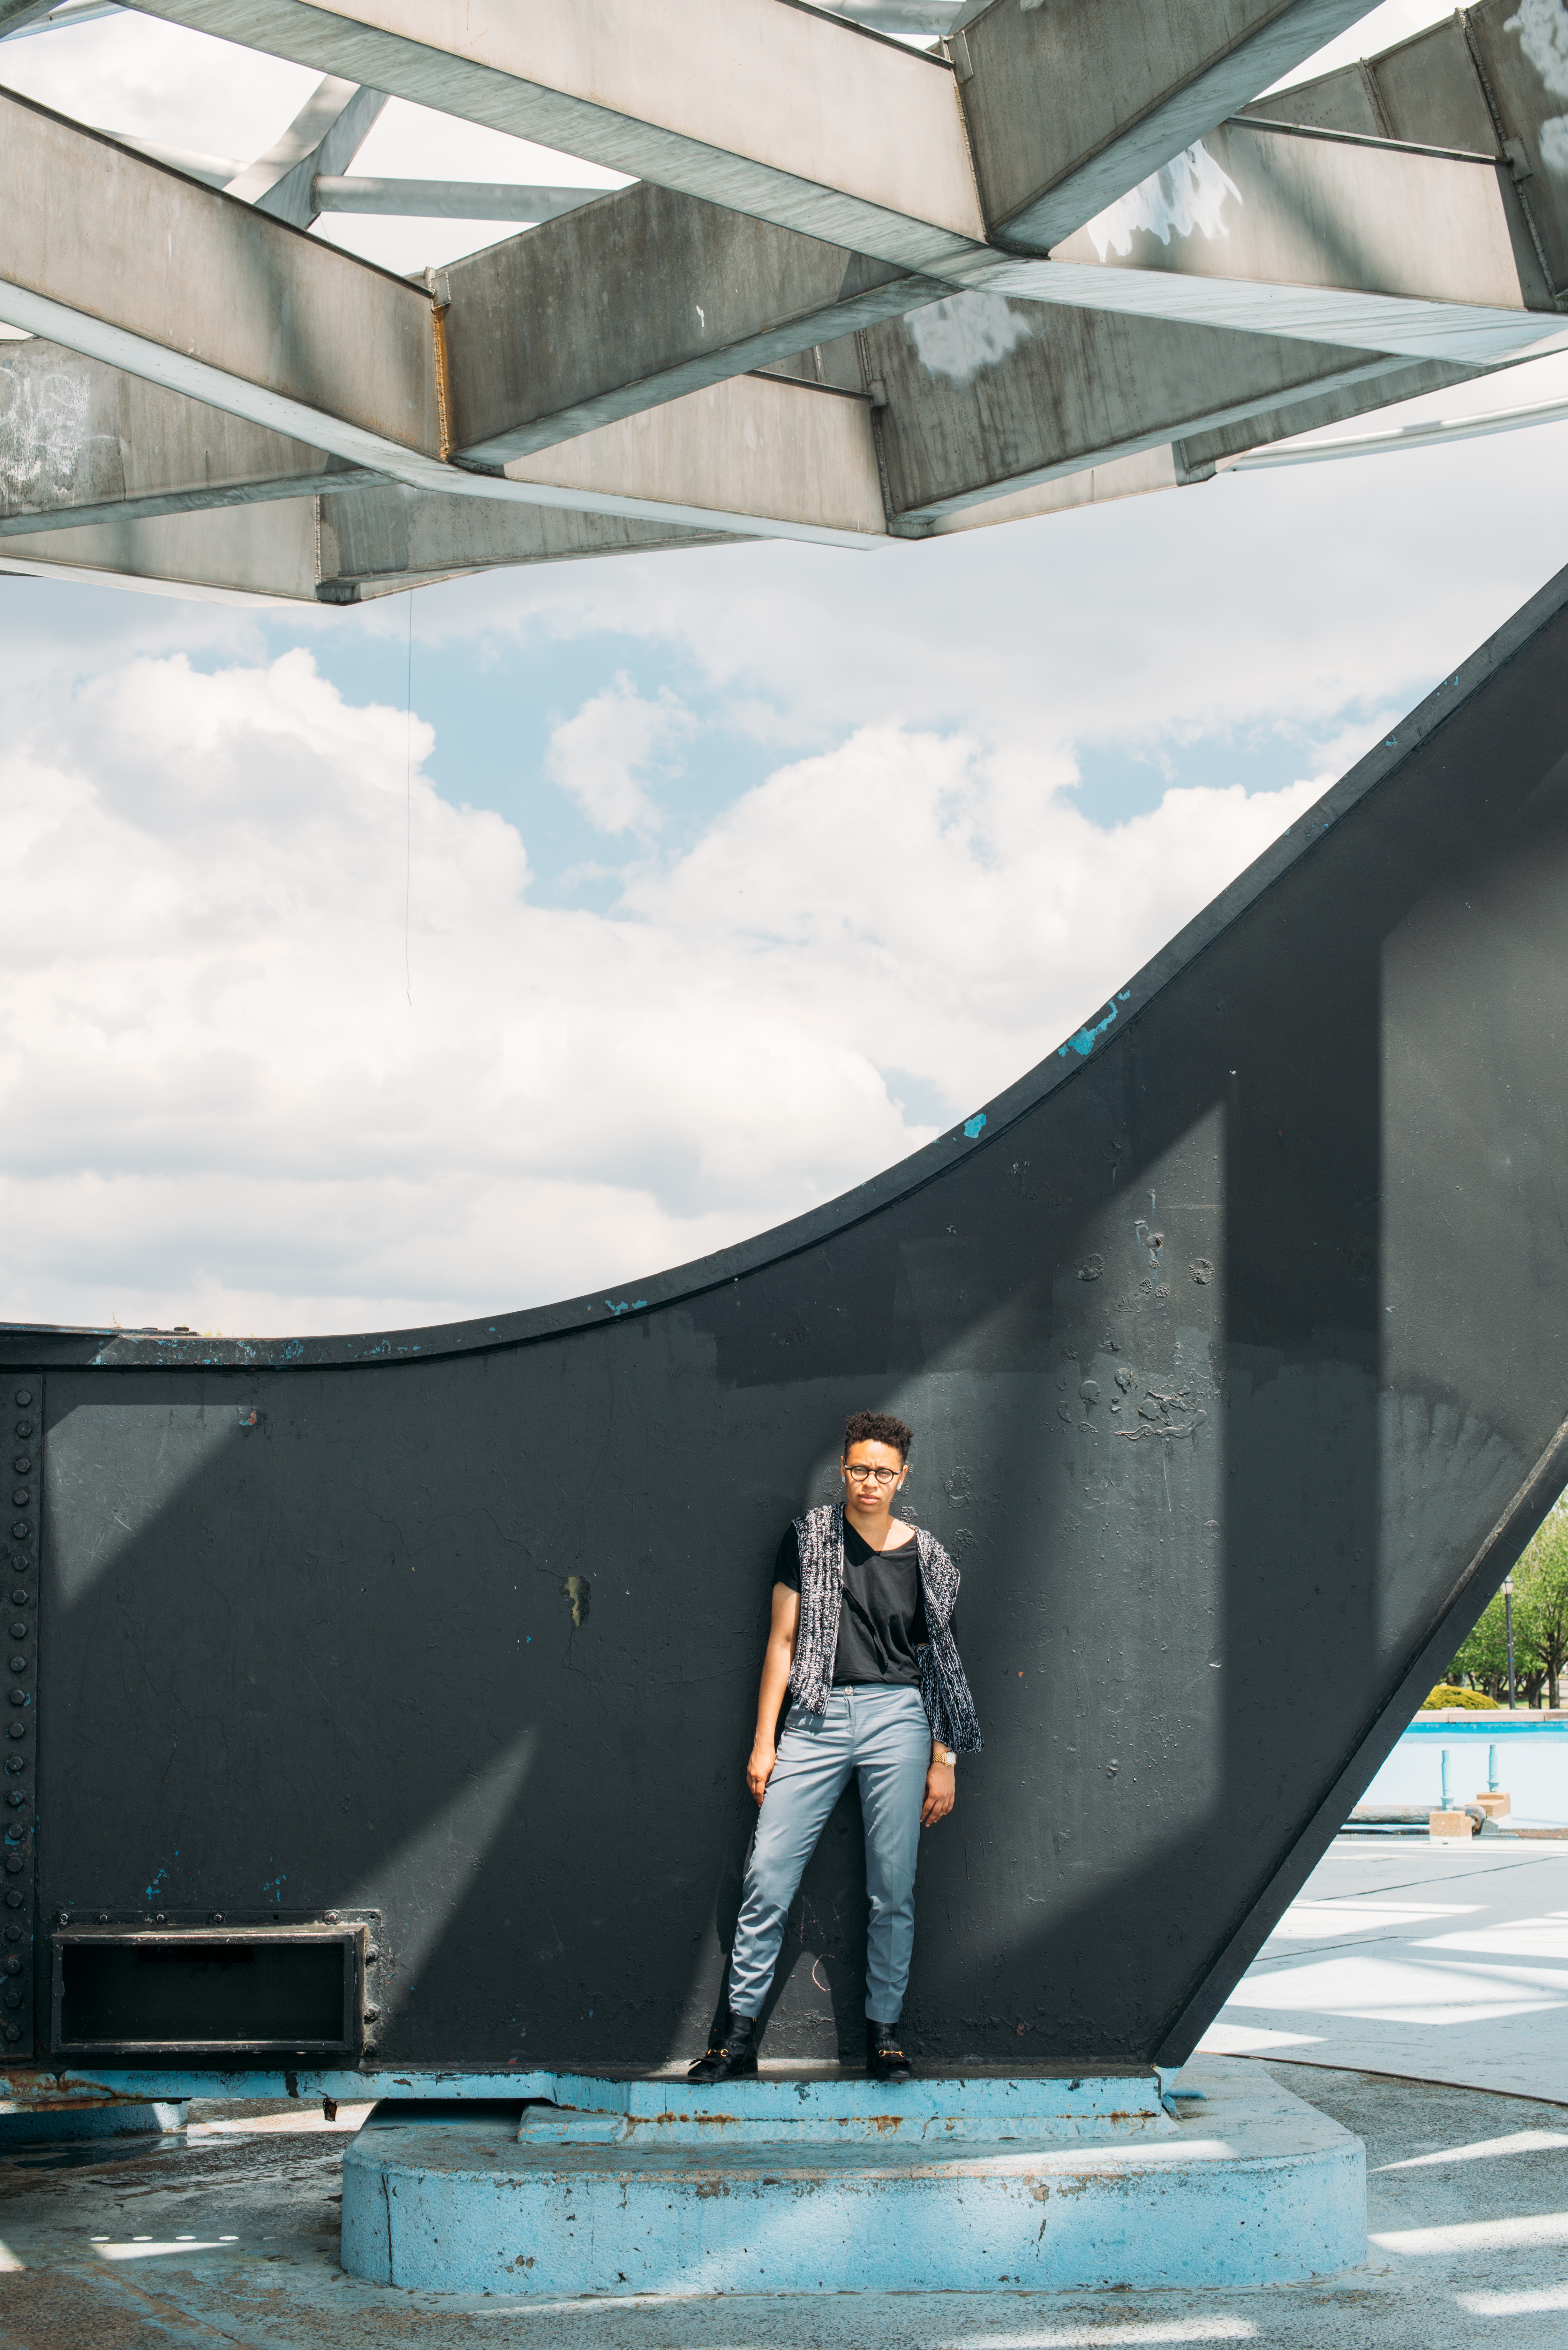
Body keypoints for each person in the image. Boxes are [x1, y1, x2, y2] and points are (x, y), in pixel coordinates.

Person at [689, 1409, 981, 2085]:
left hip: (899, 1719)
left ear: (903, 1476)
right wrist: (764, 1743)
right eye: (858, 1468)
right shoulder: (810, 1538)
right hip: (815, 1717)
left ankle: (884, 2035)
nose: (868, 1482)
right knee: (766, 1876)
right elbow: (782, 1643)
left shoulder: (928, 1556)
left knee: (892, 1887)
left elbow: (943, 1662)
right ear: (843, 1470)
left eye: (882, 1471)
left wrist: (945, 1758)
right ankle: (736, 2040)